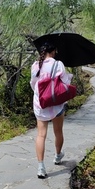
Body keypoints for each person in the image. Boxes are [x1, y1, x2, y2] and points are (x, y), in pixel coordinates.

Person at [30, 40, 72, 179]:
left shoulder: (35, 65)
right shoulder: (58, 64)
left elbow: (34, 84)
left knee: (41, 135)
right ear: (53, 51)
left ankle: (41, 167)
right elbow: (65, 82)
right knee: (58, 131)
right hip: (56, 104)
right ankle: (58, 156)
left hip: (40, 104)